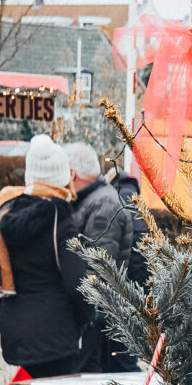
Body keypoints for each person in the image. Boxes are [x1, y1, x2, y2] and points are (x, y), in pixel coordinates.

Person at [0, 135, 85, 380]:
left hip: (16, 328)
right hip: (56, 330)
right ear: (63, 176)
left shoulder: (5, 211)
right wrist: (85, 321)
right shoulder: (60, 217)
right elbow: (77, 285)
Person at [67, 140, 130, 370]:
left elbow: (98, 265)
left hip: (96, 315)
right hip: (94, 313)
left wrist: (85, 313)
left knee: (89, 372)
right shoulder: (94, 199)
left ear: (72, 173)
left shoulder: (102, 203)